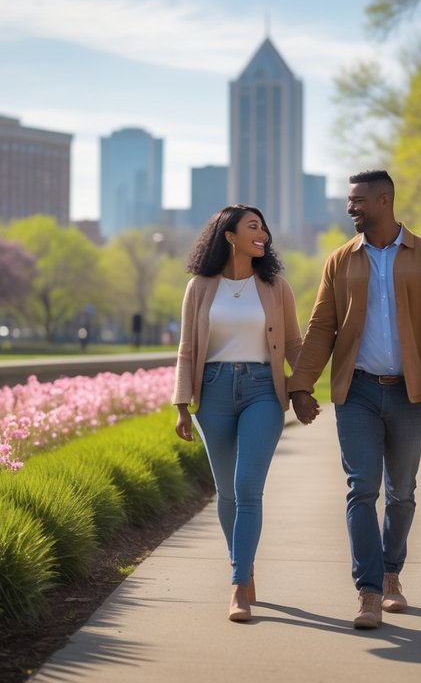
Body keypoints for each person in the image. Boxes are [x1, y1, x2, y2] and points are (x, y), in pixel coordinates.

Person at [289, 170, 421, 629]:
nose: (351, 208)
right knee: (362, 487)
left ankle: (391, 574)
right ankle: (367, 590)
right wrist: (300, 385)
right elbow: (322, 326)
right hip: (358, 391)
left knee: (402, 492)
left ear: (384, 201)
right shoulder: (340, 261)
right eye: (349, 200)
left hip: (410, 391)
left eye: (358, 200)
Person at [172, 204, 318, 622]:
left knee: (248, 487)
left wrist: (303, 387)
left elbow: (293, 343)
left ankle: (238, 586)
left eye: (265, 228)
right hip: (213, 392)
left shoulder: (275, 287)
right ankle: (245, 563)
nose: (264, 235)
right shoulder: (200, 287)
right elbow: (187, 350)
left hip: (262, 392)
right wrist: (182, 406)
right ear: (229, 236)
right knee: (227, 493)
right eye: (253, 227)